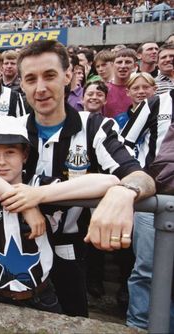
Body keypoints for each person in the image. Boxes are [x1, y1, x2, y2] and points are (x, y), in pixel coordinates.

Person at [16, 40, 155, 317]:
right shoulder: (11, 129)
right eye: (31, 79)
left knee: (73, 318)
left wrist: (124, 191)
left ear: (69, 76)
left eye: (50, 75)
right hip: (18, 247)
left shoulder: (95, 126)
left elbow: (142, 177)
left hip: (69, 253)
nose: (40, 87)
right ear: (21, 84)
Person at [0, 115, 121, 313]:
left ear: (24, 155)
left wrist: (38, 196)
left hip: (39, 296)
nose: (1, 162)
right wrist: (26, 207)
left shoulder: (39, 186)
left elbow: (109, 181)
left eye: (10, 152)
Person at [121, 90, 174, 332]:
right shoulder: (156, 102)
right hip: (152, 196)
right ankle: (139, 325)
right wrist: (142, 176)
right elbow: (125, 142)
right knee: (146, 268)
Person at [103, 48, 137, 119]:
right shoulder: (103, 89)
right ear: (112, 65)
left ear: (134, 66)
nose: (123, 66)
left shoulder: (139, 90)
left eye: (128, 62)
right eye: (119, 62)